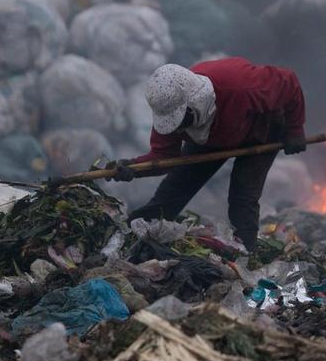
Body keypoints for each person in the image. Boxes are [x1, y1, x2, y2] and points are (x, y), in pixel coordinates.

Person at [109, 57, 307, 252]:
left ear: (194, 104)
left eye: (180, 121)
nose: (177, 129)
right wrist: (132, 168)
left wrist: (295, 130)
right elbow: (163, 158)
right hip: (213, 136)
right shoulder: (170, 111)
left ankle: (246, 251)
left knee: (243, 196)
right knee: (175, 188)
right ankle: (130, 234)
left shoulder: (242, 87)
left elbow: (289, 82)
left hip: (262, 129)